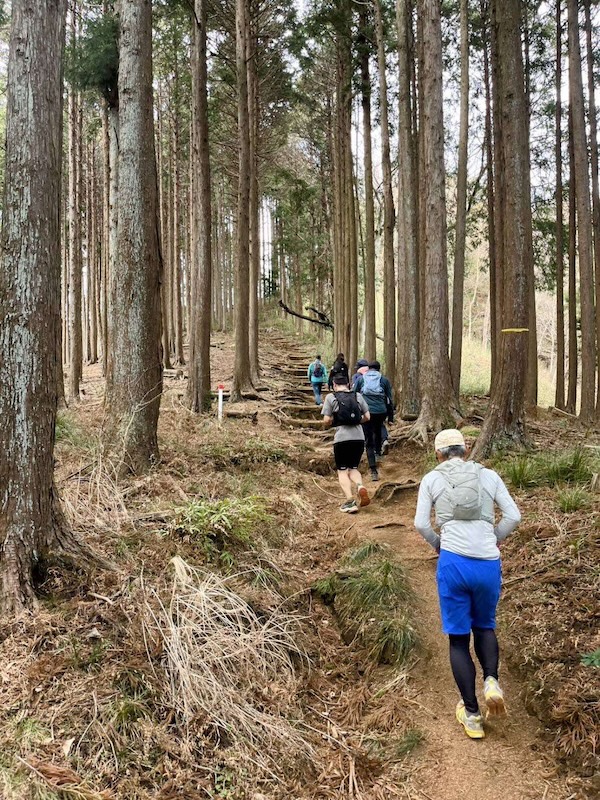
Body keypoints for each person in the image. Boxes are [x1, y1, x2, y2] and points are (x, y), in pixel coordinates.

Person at [414, 429, 521, 740]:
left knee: (459, 639)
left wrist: (438, 543)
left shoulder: (432, 479)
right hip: (488, 563)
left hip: (454, 563)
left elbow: (421, 523)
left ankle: (472, 715)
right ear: (467, 449)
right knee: (485, 626)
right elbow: (514, 515)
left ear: (438, 454)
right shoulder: (488, 475)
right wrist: (494, 538)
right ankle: (491, 680)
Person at [321, 375, 371, 513]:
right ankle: (360, 486)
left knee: (342, 471)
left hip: (342, 438)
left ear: (334, 385)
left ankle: (350, 502)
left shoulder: (331, 397)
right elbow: (367, 417)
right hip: (359, 437)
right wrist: (355, 421)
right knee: (353, 468)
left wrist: (335, 421)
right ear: (348, 384)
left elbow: (326, 420)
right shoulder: (358, 396)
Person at [354, 360, 393, 482]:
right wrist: (391, 417)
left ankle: (373, 470)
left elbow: (354, 395)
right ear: (379, 369)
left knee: (368, 440)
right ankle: (378, 454)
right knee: (378, 429)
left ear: (369, 368)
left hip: (367, 412)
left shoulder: (361, 379)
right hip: (381, 412)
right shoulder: (384, 380)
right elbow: (389, 400)